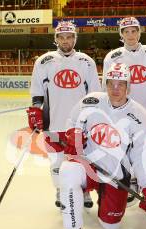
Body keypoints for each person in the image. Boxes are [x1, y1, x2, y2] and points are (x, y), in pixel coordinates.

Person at [56, 62, 146, 229]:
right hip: (88, 165)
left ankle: (107, 202)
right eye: (111, 83)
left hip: (115, 175)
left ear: (129, 87)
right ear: (105, 84)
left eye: (121, 84)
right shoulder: (90, 101)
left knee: (110, 226)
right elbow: (72, 121)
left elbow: (141, 157)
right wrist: (74, 134)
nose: (116, 89)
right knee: (67, 171)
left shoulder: (140, 116)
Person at [27, 21, 101, 209]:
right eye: (62, 37)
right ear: (56, 39)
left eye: (69, 37)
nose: (66, 40)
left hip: (79, 124)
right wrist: (36, 110)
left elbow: (95, 94)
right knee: (57, 162)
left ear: (75, 38)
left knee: (81, 160)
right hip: (53, 122)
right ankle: (61, 190)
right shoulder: (44, 61)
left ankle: (83, 190)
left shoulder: (86, 61)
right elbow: (37, 91)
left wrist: (94, 119)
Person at [102, 17, 146, 206]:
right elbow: (106, 87)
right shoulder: (113, 57)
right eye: (127, 32)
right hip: (123, 112)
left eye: (134, 31)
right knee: (126, 147)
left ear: (139, 32)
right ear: (121, 34)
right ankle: (131, 180)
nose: (131, 35)